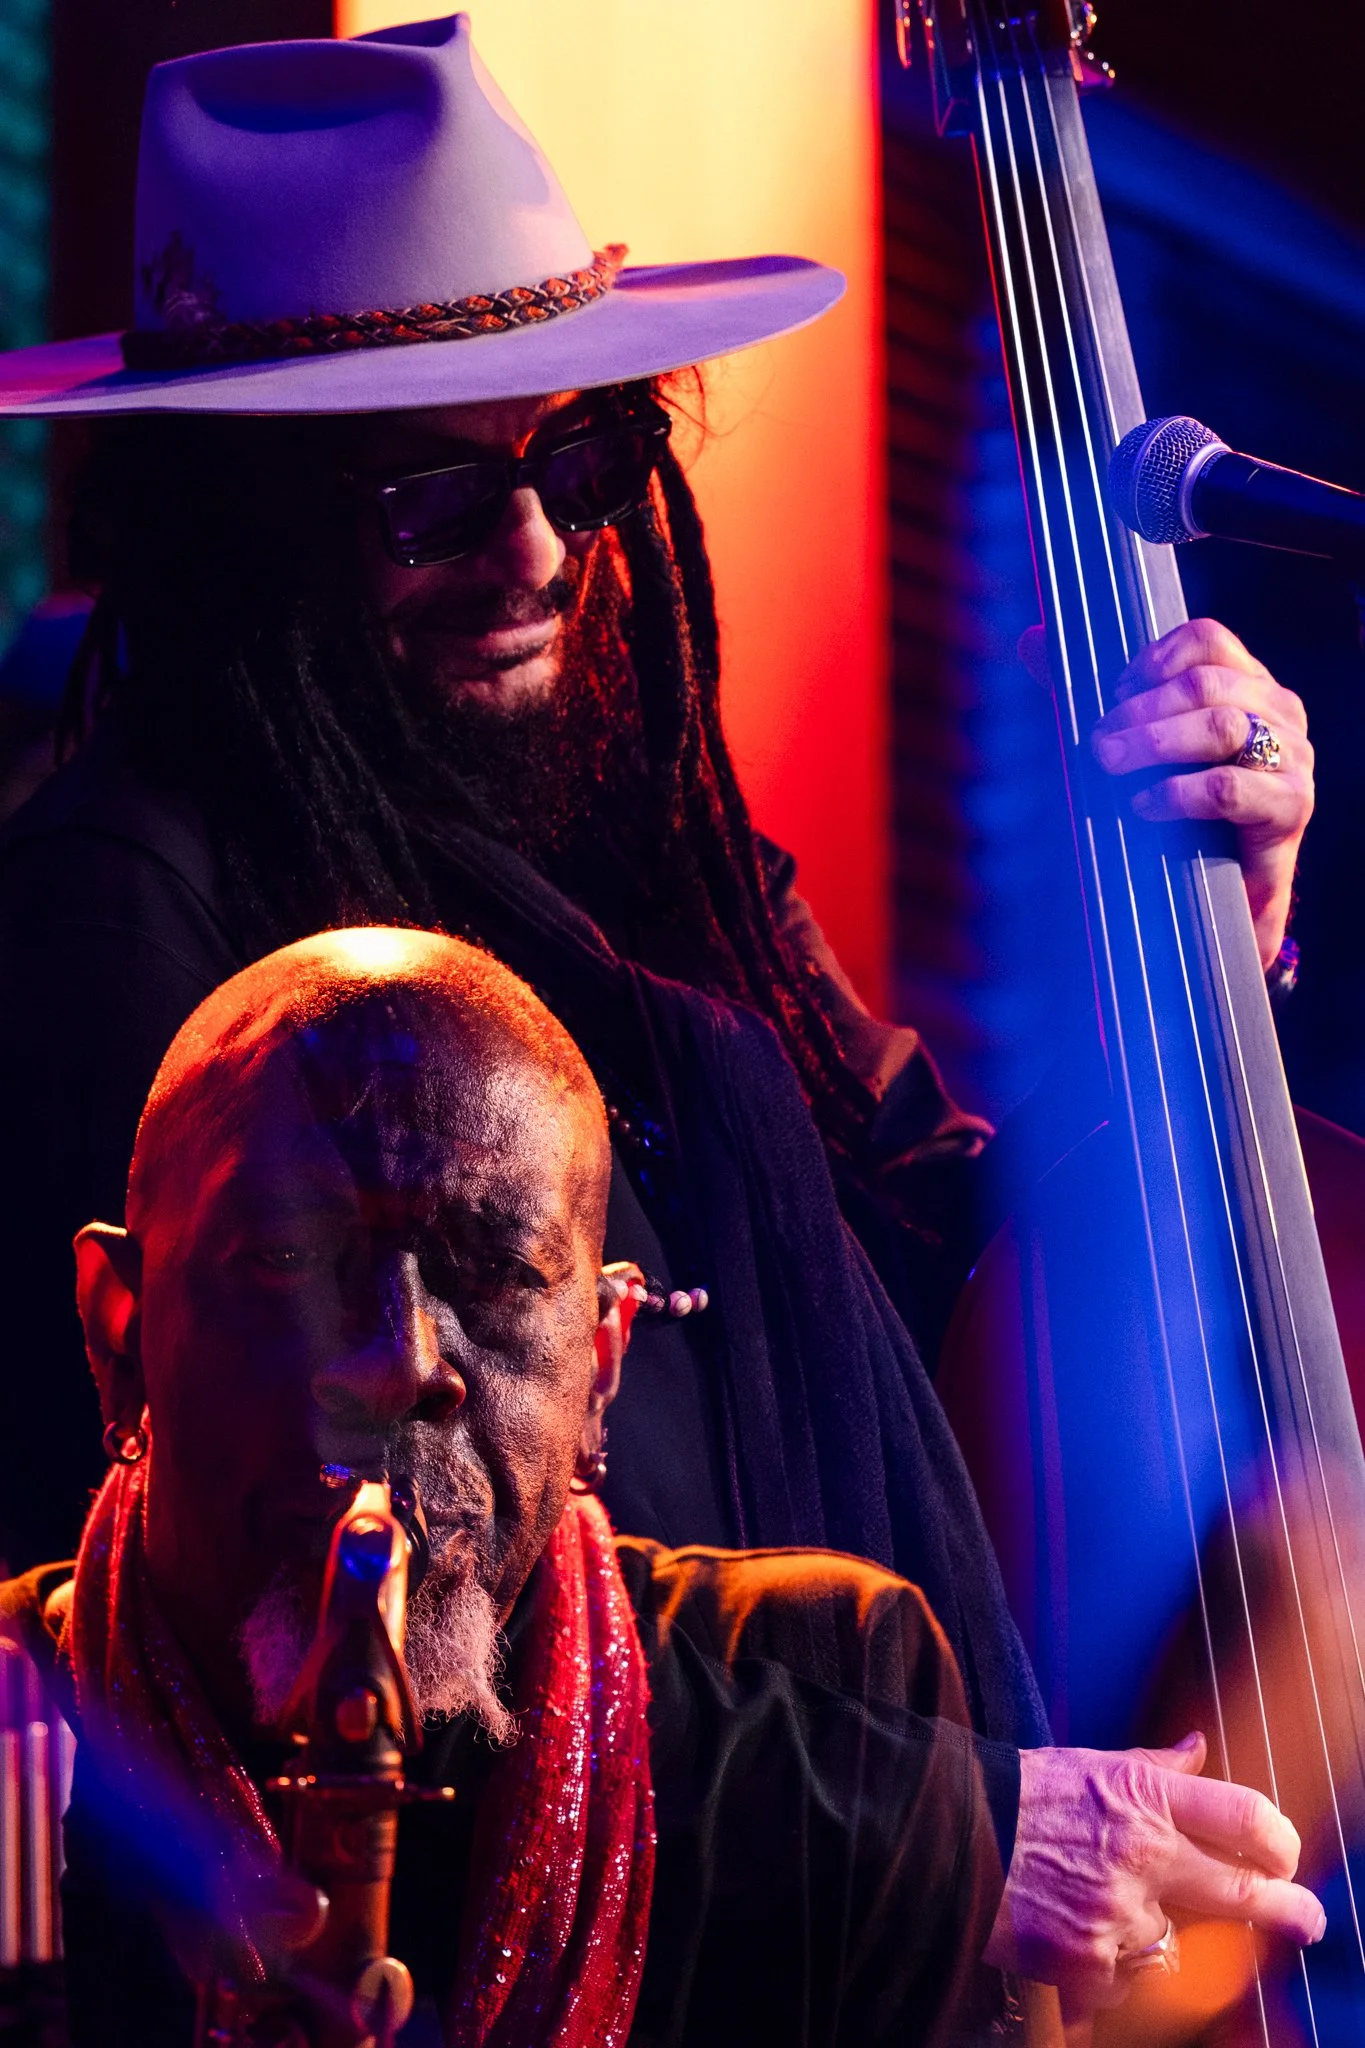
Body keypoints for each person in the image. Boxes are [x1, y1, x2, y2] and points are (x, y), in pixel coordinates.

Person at [0, 17, 1313, 1755]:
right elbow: (255, 1617)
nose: (537, 554)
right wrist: (943, 1832)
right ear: (235, 534)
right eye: (432, 496)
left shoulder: (653, 860)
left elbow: (951, 1273)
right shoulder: (124, 921)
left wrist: (1219, 917)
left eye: (579, 462)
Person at [0, 928, 1325, 2044]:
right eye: (286, 1260)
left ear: (603, 1368)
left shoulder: (838, 1672)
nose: (397, 1367)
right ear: (118, 1333)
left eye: (498, 1273)